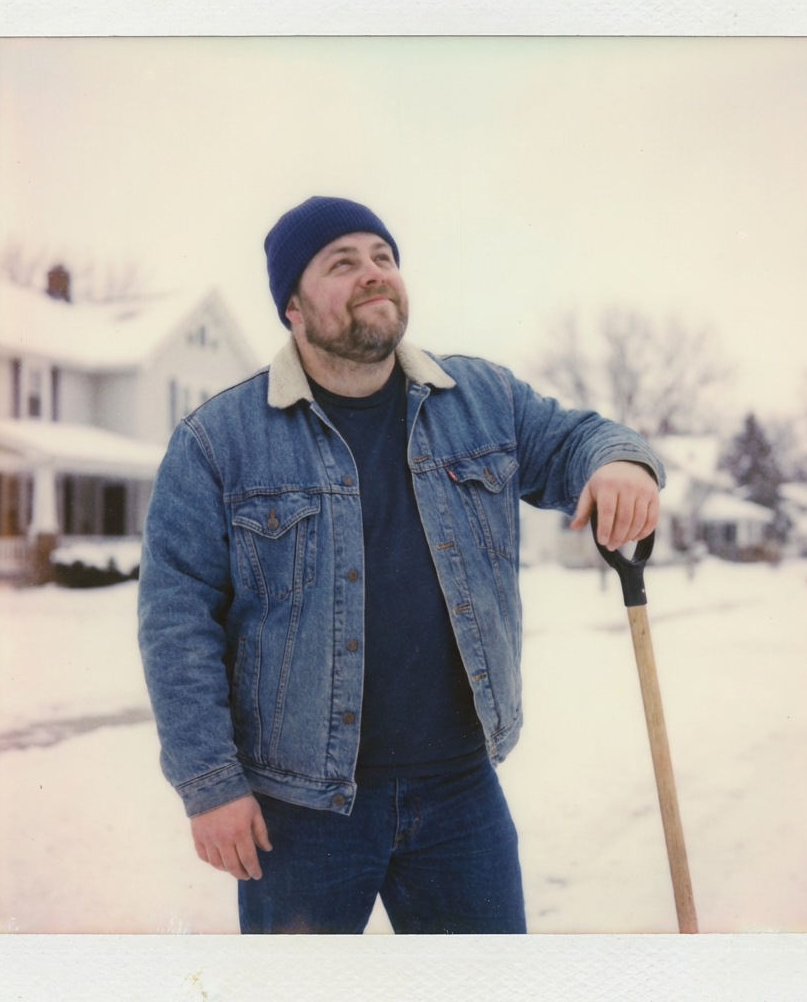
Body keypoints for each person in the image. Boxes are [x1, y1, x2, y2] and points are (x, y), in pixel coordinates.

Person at [138, 196, 665, 934]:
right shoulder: (219, 441)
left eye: (383, 257)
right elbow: (176, 621)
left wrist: (620, 465)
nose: (373, 274)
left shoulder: (480, 400)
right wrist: (209, 785)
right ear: (291, 305)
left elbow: (581, 440)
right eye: (343, 263)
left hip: (459, 794)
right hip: (302, 811)